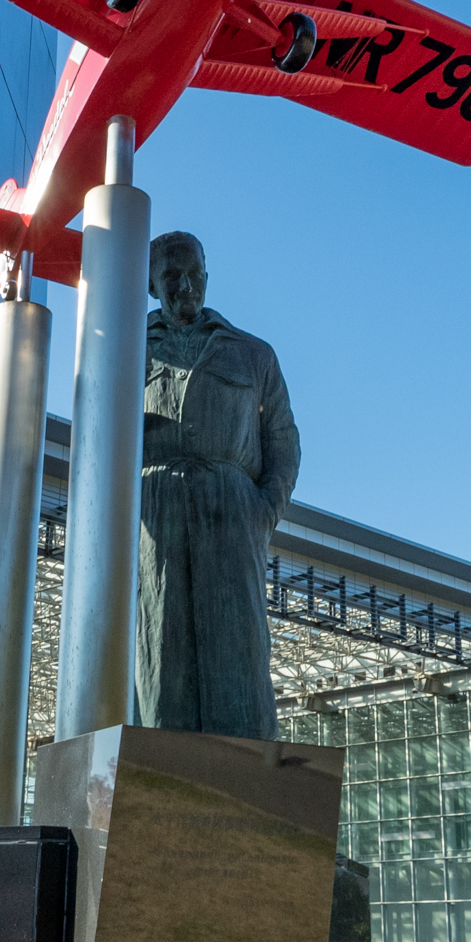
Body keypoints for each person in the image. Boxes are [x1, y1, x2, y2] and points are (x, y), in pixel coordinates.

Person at [135, 232, 300, 741]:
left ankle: (249, 785)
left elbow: (284, 442)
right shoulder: (125, 347)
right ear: (149, 283)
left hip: (231, 509)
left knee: (241, 652)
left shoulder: (253, 354)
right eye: (170, 277)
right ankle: (167, 781)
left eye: (194, 274)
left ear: (207, 273)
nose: (185, 286)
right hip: (156, 511)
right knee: (161, 656)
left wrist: (262, 509)